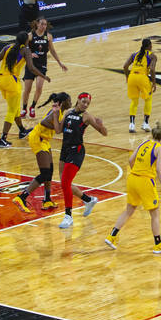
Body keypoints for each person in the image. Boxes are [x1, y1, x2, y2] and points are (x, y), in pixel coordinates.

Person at [106, 121, 161, 254]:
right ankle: (158, 244)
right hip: (145, 182)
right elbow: (159, 169)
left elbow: (130, 160)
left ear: (153, 134)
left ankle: (112, 236)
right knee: (155, 214)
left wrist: (137, 172)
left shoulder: (143, 143)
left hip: (132, 178)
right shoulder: (160, 149)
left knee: (129, 210)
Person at [0, 31, 48, 148]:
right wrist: (43, 76)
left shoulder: (7, 47)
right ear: (25, 41)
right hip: (12, 82)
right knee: (11, 111)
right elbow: (32, 68)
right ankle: (3, 139)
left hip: (1, 80)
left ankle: (22, 130)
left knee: (15, 108)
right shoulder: (25, 50)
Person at [13, 92, 71, 213]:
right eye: (69, 100)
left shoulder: (59, 112)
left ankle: (47, 199)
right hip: (38, 138)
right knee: (44, 173)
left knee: (50, 171)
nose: (70, 102)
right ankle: (21, 197)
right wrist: (57, 125)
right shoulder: (56, 112)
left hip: (45, 140)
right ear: (63, 102)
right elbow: (44, 121)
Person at [58, 92, 107, 229]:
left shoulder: (87, 116)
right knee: (64, 183)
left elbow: (104, 133)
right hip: (64, 149)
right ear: (78, 100)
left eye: (88, 103)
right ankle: (88, 200)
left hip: (76, 151)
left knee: (66, 182)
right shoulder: (68, 112)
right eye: (83, 101)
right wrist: (56, 113)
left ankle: (68, 216)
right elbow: (58, 130)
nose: (85, 104)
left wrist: (101, 125)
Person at [20, 16, 67, 119]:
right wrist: (30, 53)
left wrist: (60, 63)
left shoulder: (48, 36)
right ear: (37, 24)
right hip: (30, 65)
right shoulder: (30, 35)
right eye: (41, 24)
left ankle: (32, 107)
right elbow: (23, 48)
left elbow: (52, 51)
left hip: (41, 66)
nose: (43, 26)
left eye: (45, 24)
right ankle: (24, 108)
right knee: (27, 89)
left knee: (39, 87)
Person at [123, 38, 157, 134]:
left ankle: (132, 125)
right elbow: (152, 70)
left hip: (132, 77)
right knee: (148, 99)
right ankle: (145, 123)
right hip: (142, 78)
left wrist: (127, 77)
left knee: (134, 101)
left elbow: (125, 66)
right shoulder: (152, 56)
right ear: (150, 46)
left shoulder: (134, 54)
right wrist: (154, 82)